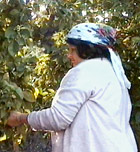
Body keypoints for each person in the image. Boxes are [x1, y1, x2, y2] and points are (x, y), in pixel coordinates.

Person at [7, 23, 138, 152]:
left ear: (87, 49)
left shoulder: (86, 70)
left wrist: (21, 118)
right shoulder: (113, 73)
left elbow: (58, 118)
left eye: (73, 50)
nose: (69, 55)